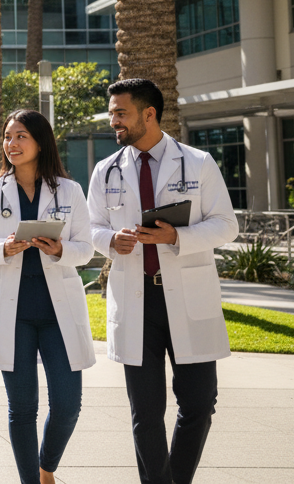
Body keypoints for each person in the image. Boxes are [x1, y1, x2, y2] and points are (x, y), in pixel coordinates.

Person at [88, 78, 238, 484]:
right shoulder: (107, 170)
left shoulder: (198, 162)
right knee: (146, 413)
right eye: (112, 112)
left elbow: (227, 225)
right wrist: (110, 240)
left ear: (148, 114)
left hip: (188, 298)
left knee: (199, 403)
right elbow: (91, 229)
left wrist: (177, 236)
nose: (113, 119)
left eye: (121, 112)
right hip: (136, 300)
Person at [0, 110, 95, 484]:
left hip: (58, 312)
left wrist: (59, 250)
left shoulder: (69, 190)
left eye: (21, 136)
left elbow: (85, 248)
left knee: (68, 405)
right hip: (13, 313)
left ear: (41, 142)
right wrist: (4, 248)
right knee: (22, 409)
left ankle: (46, 467)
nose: (12, 144)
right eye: (8, 137)